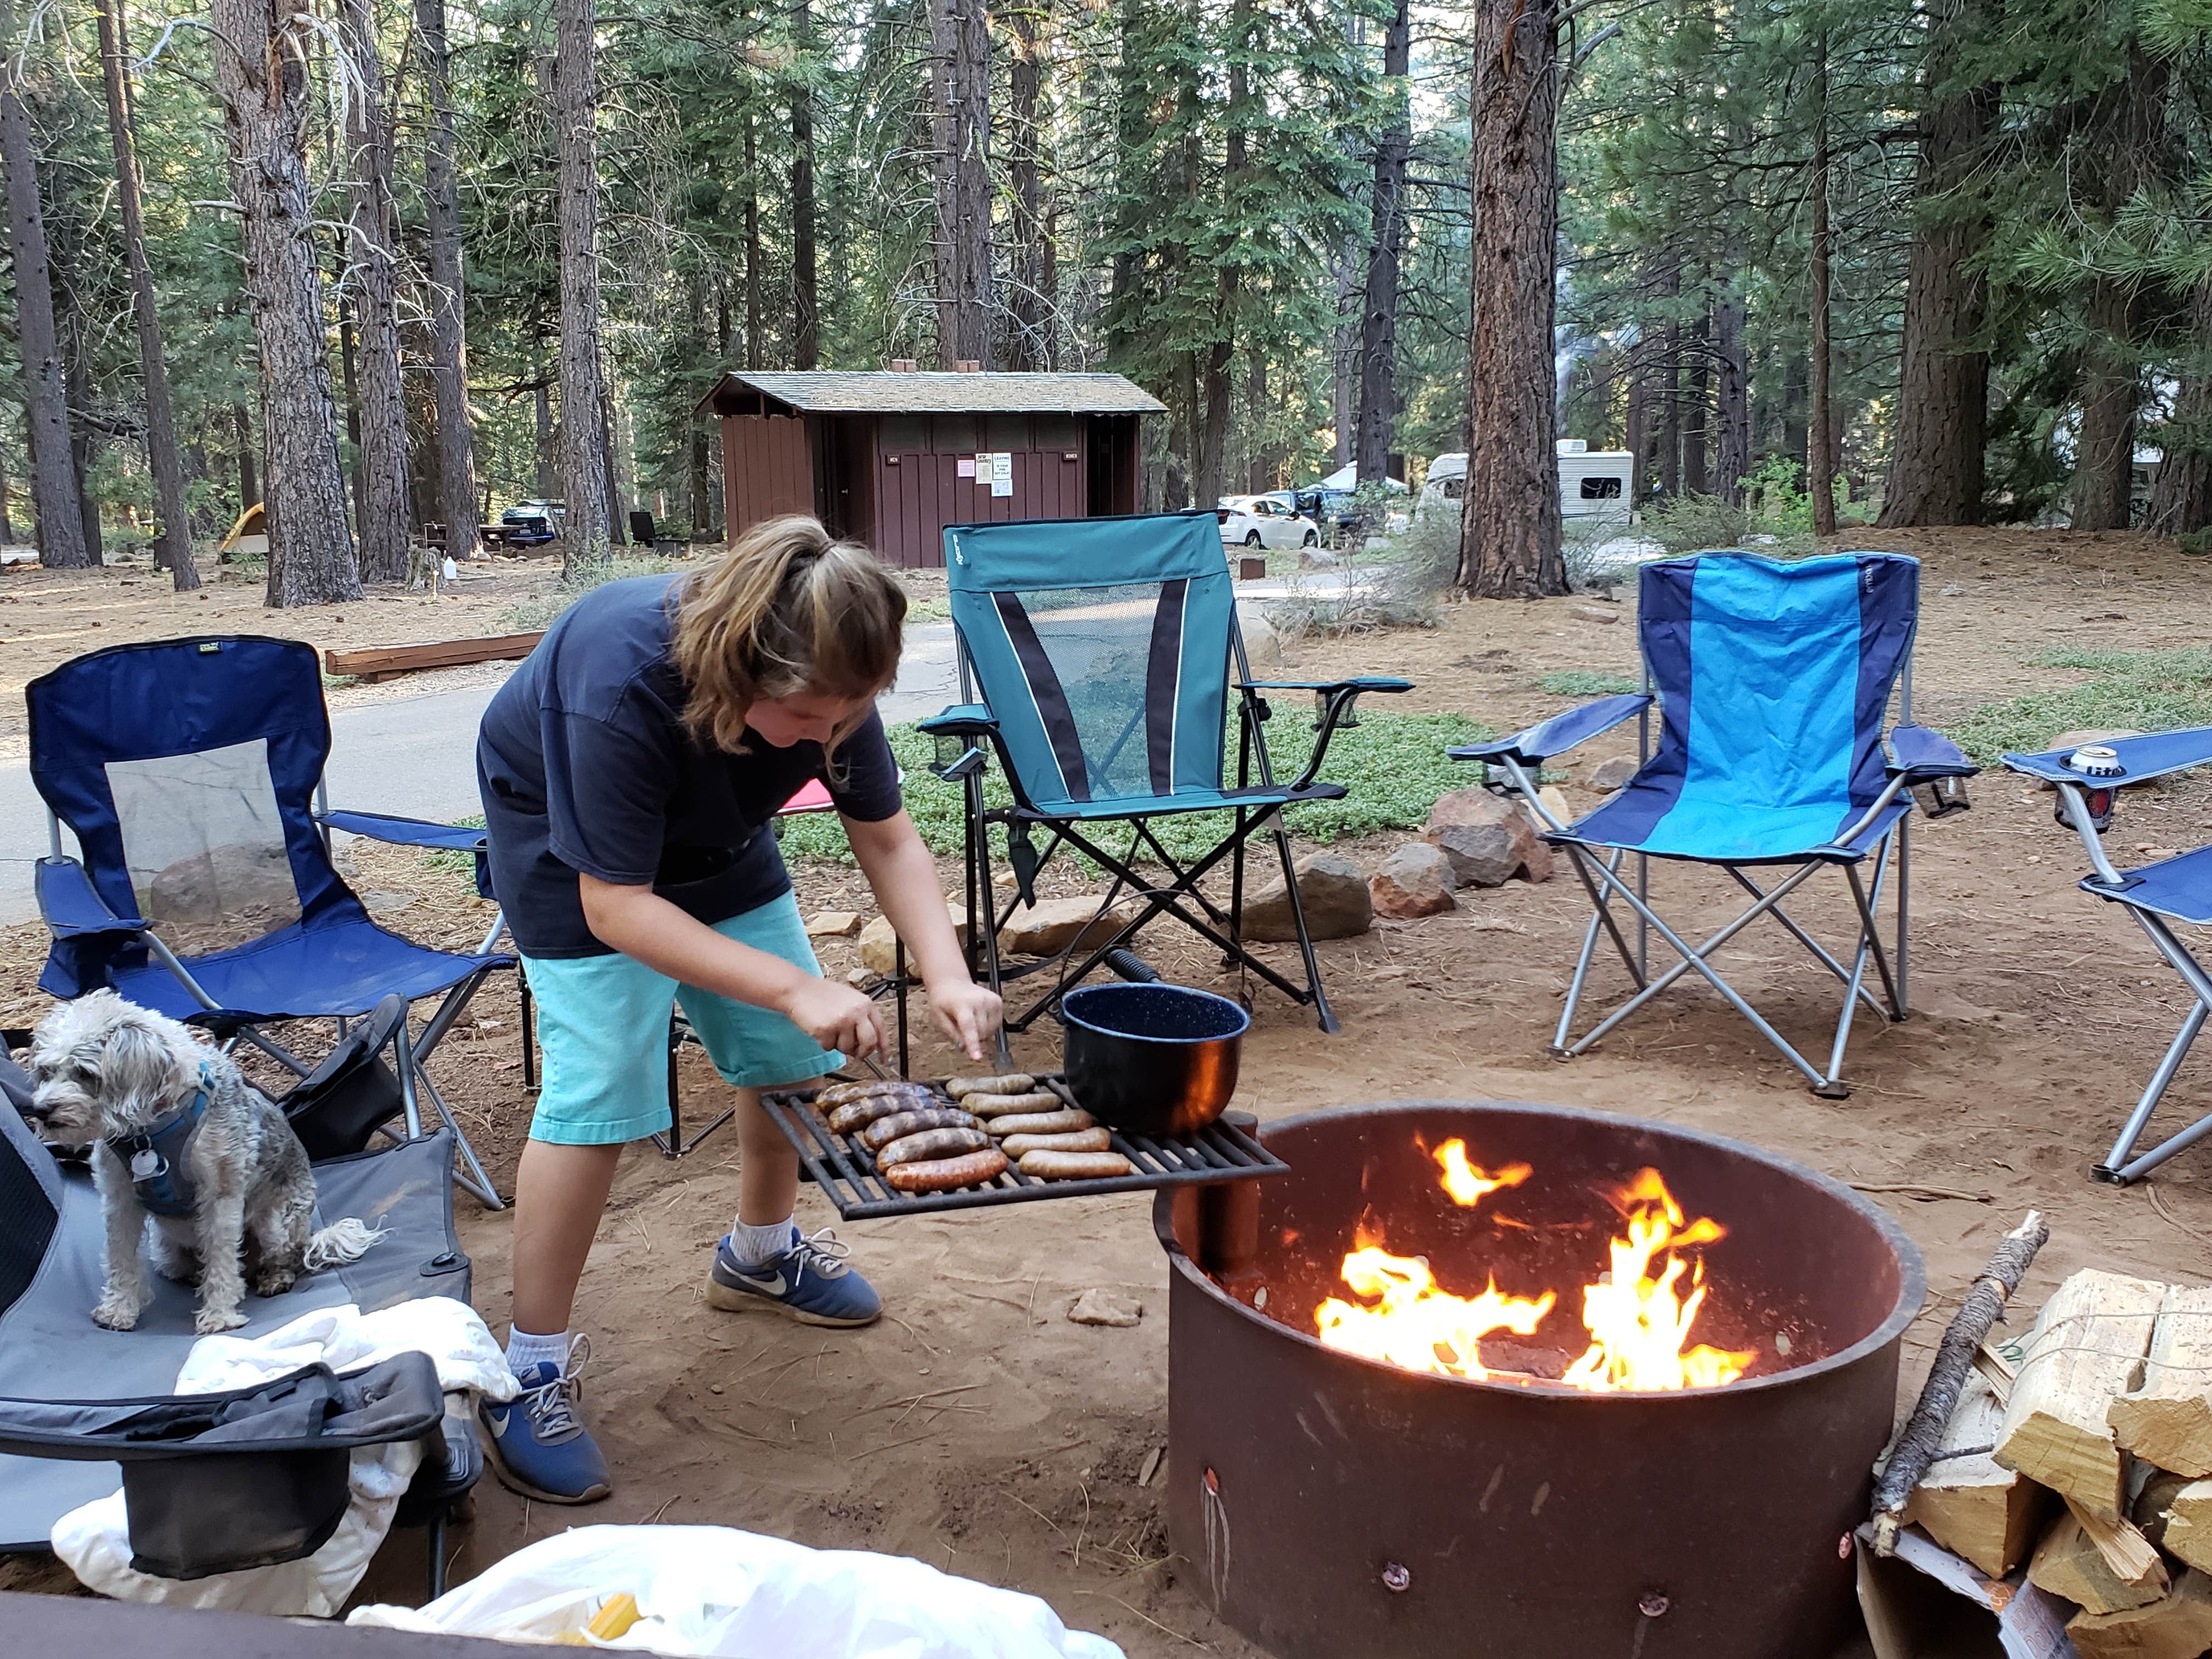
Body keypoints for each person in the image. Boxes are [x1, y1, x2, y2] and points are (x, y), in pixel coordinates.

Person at [473, 515, 1002, 1504]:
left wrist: (946, 972)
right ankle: (528, 1368)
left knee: (786, 1061)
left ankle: (760, 1255)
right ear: (743, 669)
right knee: (601, 1095)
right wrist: (800, 983)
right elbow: (616, 903)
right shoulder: (621, 681)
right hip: (574, 855)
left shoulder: (830, 677)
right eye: (809, 723)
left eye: (847, 719)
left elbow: (887, 840)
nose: (828, 741)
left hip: (719, 838)